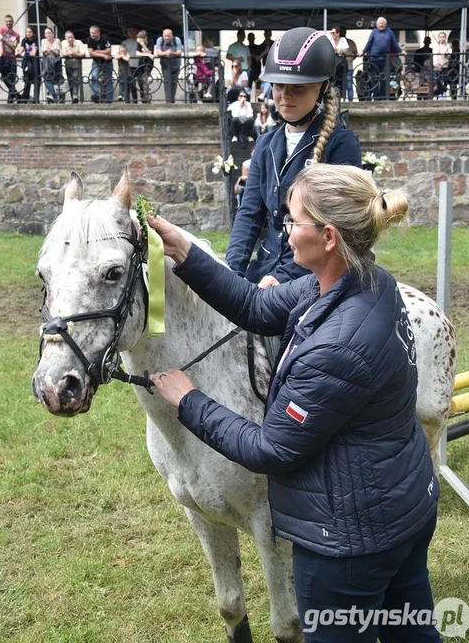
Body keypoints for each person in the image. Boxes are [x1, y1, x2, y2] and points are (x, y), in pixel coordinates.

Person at [147, 163, 441, 643]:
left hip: (348, 543)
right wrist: (185, 253)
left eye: (291, 220)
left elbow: (272, 450)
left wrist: (190, 400)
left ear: (327, 236)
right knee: (412, 632)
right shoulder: (357, 278)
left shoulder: (337, 345)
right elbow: (258, 308)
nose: (283, 230)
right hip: (401, 504)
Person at [226, 26, 361, 287]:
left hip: (317, 277)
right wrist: (231, 271)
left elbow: (340, 228)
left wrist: (283, 277)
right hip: (265, 268)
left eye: (297, 87)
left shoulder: (341, 144)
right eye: (278, 85)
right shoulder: (265, 144)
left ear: (322, 87)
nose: (285, 96)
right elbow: (249, 214)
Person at [362, 17, 402, 100]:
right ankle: (376, 96)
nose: (381, 24)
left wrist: (401, 51)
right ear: (376, 24)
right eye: (379, 23)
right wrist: (363, 51)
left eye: (382, 23)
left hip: (385, 59)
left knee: (385, 78)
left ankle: (383, 96)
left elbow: (394, 43)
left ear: (385, 24)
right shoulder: (374, 32)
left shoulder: (389, 31)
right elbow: (369, 43)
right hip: (374, 58)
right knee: (375, 78)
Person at [0, 14, 20, 103]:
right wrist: (1, 50)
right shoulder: (2, 30)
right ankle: (16, 95)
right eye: (7, 21)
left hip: (12, 59)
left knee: (12, 79)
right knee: (4, 78)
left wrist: (5, 40)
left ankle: (10, 101)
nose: (8, 22)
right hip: (3, 58)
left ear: (13, 22)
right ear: (5, 22)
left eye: (10, 21)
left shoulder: (16, 35)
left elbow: (14, 47)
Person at [156, 28, 182, 104]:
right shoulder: (160, 40)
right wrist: (166, 53)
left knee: (174, 82)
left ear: (172, 36)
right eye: (165, 36)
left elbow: (179, 52)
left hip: (175, 64)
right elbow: (158, 53)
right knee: (167, 81)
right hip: (165, 65)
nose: (167, 38)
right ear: (163, 36)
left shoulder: (176, 39)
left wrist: (171, 53)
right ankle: (167, 100)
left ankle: (172, 100)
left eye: (168, 36)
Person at [87, 25, 113, 102]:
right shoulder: (89, 40)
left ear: (98, 32)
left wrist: (96, 51)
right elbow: (91, 53)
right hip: (96, 61)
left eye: (93, 33)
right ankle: (96, 96)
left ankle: (109, 99)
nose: (92, 35)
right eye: (90, 33)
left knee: (108, 79)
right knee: (94, 76)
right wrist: (103, 54)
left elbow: (109, 51)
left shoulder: (105, 39)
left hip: (107, 62)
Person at [16, 26, 39, 103]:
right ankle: (25, 98)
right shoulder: (24, 40)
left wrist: (30, 53)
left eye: (30, 32)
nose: (28, 33)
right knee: (27, 80)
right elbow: (22, 48)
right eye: (27, 32)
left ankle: (36, 99)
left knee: (36, 80)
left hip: (35, 62)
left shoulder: (36, 39)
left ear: (33, 33)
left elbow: (34, 51)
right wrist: (19, 52)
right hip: (27, 62)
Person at [61, 31, 85, 103]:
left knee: (75, 79)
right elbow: (63, 53)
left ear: (74, 37)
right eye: (68, 38)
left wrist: (75, 54)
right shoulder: (63, 43)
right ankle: (73, 99)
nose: (70, 39)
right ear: (66, 38)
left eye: (71, 37)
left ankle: (75, 95)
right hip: (68, 65)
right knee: (70, 81)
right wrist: (68, 54)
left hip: (77, 65)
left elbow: (83, 53)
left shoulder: (79, 42)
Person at [41, 27, 63, 102]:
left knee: (54, 78)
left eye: (49, 33)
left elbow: (57, 53)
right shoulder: (43, 41)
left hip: (56, 62)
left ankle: (52, 95)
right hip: (47, 63)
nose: (48, 34)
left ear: (52, 33)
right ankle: (53, 95)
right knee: (47, 78)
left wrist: (50, 50)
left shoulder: (57, 40)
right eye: (46, 33)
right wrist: (47, 51)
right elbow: (43, 52)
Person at [121, 27, 140, 103]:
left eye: (132, 31)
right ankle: (128, 101)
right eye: (129, 32)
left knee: (140, 84)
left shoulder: (139, 42)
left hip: (138, 65)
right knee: (130, 84)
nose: (130, 33)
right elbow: (121, 52)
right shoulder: (124, 43)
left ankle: (137, 100)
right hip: (129, 66)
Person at [135, 30, 155, 103]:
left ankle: (146, 97)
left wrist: (143, 45)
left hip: (148, 64)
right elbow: (137, 53)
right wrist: (148, 55)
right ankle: (143, 97)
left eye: (140, 38)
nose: (139, 40)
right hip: (140, 64)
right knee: (140, 80)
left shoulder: (150, 41)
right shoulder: (138, 43)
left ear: (145, 37)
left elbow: (150, 52)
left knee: (145, 78)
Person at [339, 25, 358, 102]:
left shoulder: (350, 42)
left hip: (348, 66)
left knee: (348, 84)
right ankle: (343, 100)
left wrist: (350, 59)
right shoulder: (349, 42)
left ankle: (349, 100)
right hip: (341, 67)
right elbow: (355, 53)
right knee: (344, 84)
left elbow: (355, 53)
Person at [329, 26, 349, 96]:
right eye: (331, 33)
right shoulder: (330, 40)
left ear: (338, 33)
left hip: (341, 62)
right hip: (334, 62)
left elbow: (346, 50)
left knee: (342, 79)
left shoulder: (343, 40)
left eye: (333, 33)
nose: (332, 34)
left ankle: (342, 95)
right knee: (334, 78)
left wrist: (337, 50)